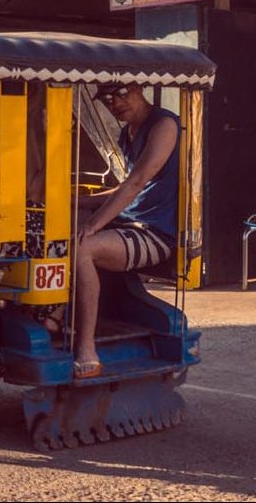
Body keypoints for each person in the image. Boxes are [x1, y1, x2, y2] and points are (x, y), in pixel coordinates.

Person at [71, 83, 179, 380]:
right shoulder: (126, 133)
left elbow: (137, 182)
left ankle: (86, 347)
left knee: (82, 246)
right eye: (106, 98)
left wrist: (94, 224)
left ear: (140, 87)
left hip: (154, 231)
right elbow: (124, 187)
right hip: (130, 223)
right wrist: (77, 201)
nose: (115, 103)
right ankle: (54, 316)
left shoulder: (164, 125)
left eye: (121, 93)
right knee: (63, 223)